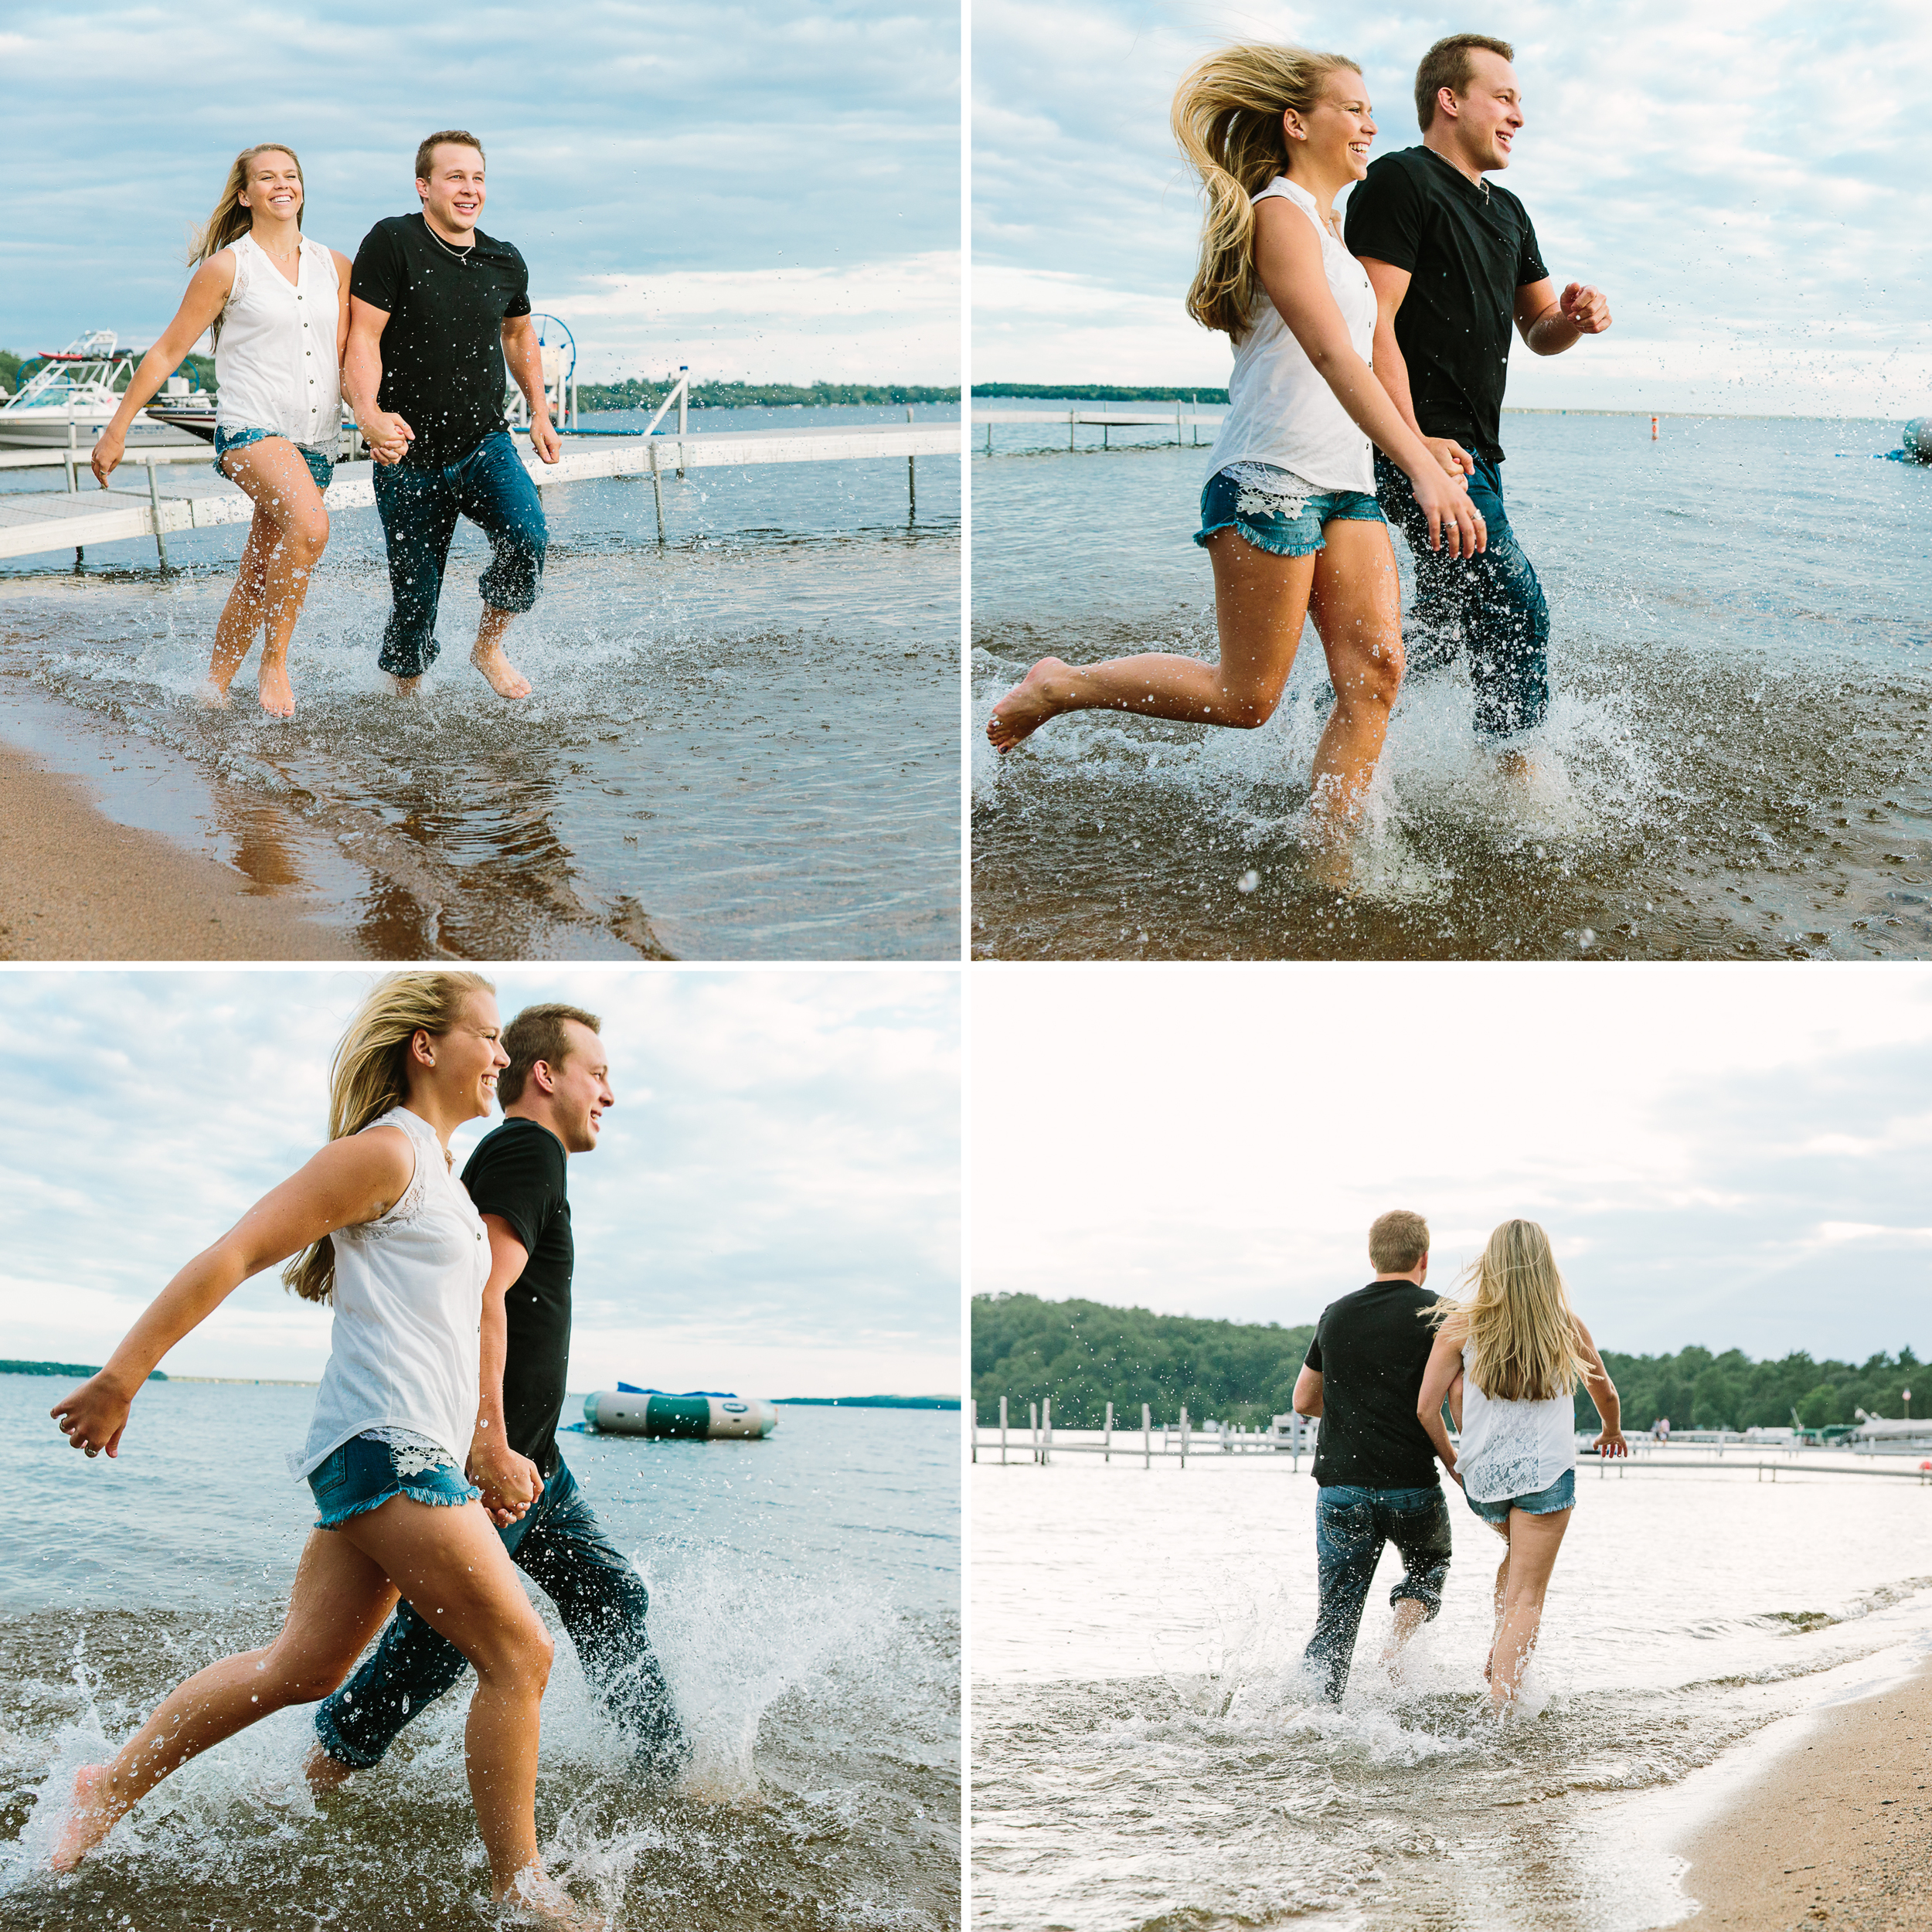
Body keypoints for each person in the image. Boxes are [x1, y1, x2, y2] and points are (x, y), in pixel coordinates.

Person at [45, 972, 600, 1928]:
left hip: (396, 1450)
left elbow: (472, 1322)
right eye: (485, 1037)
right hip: (384, 1450)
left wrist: (485, 1442)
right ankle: (524, 1890)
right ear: (425, 1046)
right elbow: (236, 1250)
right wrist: (122, 1375)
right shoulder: (384, 1151)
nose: (502, 1056)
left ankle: (106, 1784)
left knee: (305, 1666)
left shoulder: (441, 1173)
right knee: (521, 1652)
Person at [987, 46, 1482, 850]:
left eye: (1369, 110)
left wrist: (1417, 434)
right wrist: (1421, 471)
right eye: (1353, 109)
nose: (1371, 123)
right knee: (1246, 698)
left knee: (1376, 673)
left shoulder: (1331, 229)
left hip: (1345, 483)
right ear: (1297, 124)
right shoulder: (1277, 213)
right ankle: (1063, 686)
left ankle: (1330, 864)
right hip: (1269, 478)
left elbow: (1364, 350)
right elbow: (1328, 357)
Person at [307, 1002, 687, 1789]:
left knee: (609, 1594)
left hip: (534, 1461)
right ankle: (317, 1778)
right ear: (546, 1075)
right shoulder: (527, 1148)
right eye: (600, 1074)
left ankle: (665, 1776)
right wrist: (488, 1444)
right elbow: (483, 1290)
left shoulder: (517, 1155)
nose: (608, 1094)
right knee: (433, 1651)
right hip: (494, 1459)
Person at [1344, 35, 1612, 757]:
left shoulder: (1510, 211)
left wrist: (1576, 321)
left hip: (1477, 455)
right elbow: (1373, 326)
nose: (1519, 115)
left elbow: (1538, 329)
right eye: (1505, 97)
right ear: (1449, 100)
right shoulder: (1401, 181)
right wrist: (1414, 451)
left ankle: (1330, 720)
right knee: (1515, 604)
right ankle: (1515, 774)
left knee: (1442, 622)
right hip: (1418, 448)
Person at [89, 144, 352, 718]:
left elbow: (347, 357)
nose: (281, 185)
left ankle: (211, 688)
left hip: (318, 440)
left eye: (291, 176)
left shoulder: (335, 264)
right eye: (266, 178)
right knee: (310, 528)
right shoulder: (229, 267)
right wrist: (117, 428)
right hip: (251, 431)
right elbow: (166, 352)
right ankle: (275, 662)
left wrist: (378, 418)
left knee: (260, 571)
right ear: (245, 194)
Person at [344, 130, 560, 700]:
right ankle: (404, 706)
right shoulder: (393, 241)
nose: (470, 189)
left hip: (484, 443)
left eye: (479, 177)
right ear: (425, 186)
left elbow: (519, 335)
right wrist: (367, 414)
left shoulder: (504, 259)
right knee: (415, 605)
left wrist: (539, 411)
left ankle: (488, 646)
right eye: (456, 177)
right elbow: (363, 337)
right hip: (406, 452)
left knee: (528, 539)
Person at [1415, 1218, 1626, 1716]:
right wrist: (1611, 1432)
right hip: (1545, 1478)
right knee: (1528, 1597)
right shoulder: (1565, 1326)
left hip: (1484, 1481)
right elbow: (1606, 1393)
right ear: (1545, 1268)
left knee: (1516, 1557)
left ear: (1492, 1265)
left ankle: (1500, 1646)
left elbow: (1426, 1409)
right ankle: (1501, 1709)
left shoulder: (1461, 1325)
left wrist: (1454, 1464)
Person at [1291, 1209, 1455, 1702]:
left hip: (1341, 1487)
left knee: (1336, 1620)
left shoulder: (1336, 1312)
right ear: (1424, 1258)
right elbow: (1462, 1397)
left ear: (1372, 1257)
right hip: (1411, 1485)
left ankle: (1314, 1721)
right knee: (1429, 1563)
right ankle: (1397, 1651)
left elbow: (1303, 1401)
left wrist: (1353, 1410)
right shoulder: (1442, 1313)